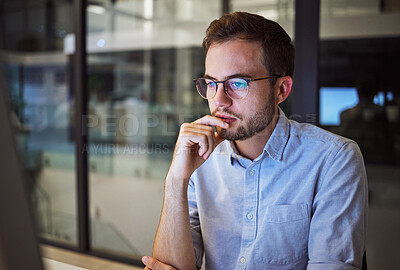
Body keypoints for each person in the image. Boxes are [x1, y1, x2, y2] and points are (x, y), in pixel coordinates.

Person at [143, 12, 368, 270]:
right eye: (211, 83)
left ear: (281, 89)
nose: (218, 100)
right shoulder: (200, 160)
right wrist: (175, 180)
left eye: (238, 83)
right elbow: (169, 266)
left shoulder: (334, 160)